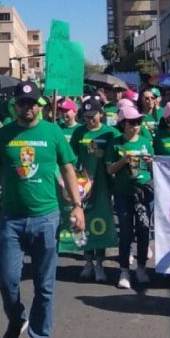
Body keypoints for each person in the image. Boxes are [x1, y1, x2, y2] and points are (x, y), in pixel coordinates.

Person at [0, 81, 82, 338]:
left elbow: (68, 169)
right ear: (15, 105)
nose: (27, 107)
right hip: (12, 219)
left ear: (39, 105)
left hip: (47, 217)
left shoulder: (53, 132)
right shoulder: (4, 134)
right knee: (7, 280)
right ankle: (17, 318)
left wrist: (77, 205)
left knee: (45, 286)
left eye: (32, 103)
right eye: (22, 102)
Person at [105, 105, 155, 290]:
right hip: (123, 193)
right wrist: (123, 161)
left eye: (139, 122)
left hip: (144, 192)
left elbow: (154, 167)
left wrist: (150, 162)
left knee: (143, 229)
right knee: (125, 231)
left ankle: (141, 267)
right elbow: (109, 169)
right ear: (123, 124)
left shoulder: (145, 141)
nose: (136, 126)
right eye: (132, 122)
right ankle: (124, 270)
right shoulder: (116, 143)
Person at [70, 97, 119, 282]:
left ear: (101, 114)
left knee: (102, 222)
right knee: (85, 222)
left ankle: (100, 263)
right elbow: (72, 157)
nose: (90, 120)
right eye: (86, 116)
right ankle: (88, 261)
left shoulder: (110, 133)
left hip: (104, 183)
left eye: (93, 116)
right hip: (84, 185)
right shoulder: (78, 132)